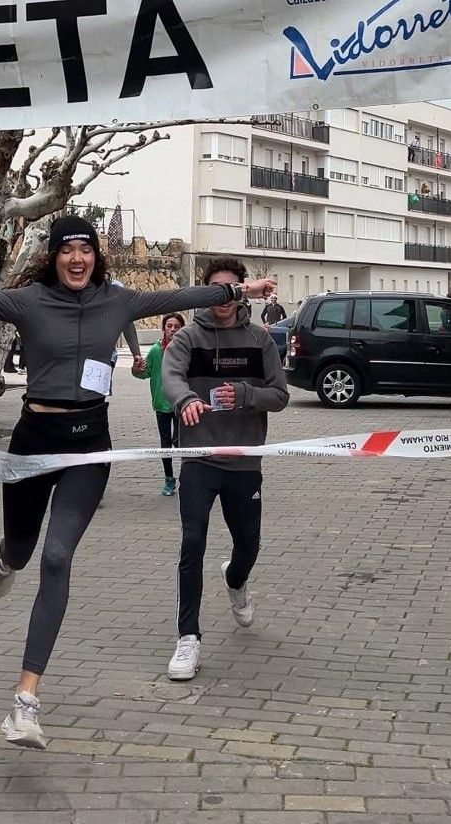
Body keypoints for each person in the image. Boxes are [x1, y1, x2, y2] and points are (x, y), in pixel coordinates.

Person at [0, 215, 275, 748]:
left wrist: (239, 288)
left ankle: (25, 700)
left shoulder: (120, 301)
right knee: (21, 547)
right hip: (33, 443)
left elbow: (185, 292)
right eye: (68, 250)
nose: (78, 258)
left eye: (86, 248)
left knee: (57, 556)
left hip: (89, 445)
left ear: (96, 256)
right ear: (54, 256)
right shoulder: (28, 300)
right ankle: (6, 559)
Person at [161, 257, 289, 681]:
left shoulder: (259, 339)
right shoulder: (187, 338)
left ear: (241, 292)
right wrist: (184, 401)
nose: (222, 296)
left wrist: (246, 395)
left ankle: (236, 581)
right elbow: (171, 378)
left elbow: (280, 394)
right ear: (204, 291)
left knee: (248, 545)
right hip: (199, 460)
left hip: (244, 461)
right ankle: (188, 638)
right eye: (214, 288)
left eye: (229, 288)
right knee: (191, 545)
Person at [131, 312, 185, 497]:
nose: (172, 329)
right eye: (169, 326)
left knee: (181, 441)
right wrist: (135, 368)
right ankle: (169, 479)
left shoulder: (186, 350)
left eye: (176, 327)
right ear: (163, 329)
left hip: (181, 403)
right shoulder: (155, 351)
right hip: (162, 405)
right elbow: (144, 373)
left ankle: (187, 478)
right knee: (165, 444)